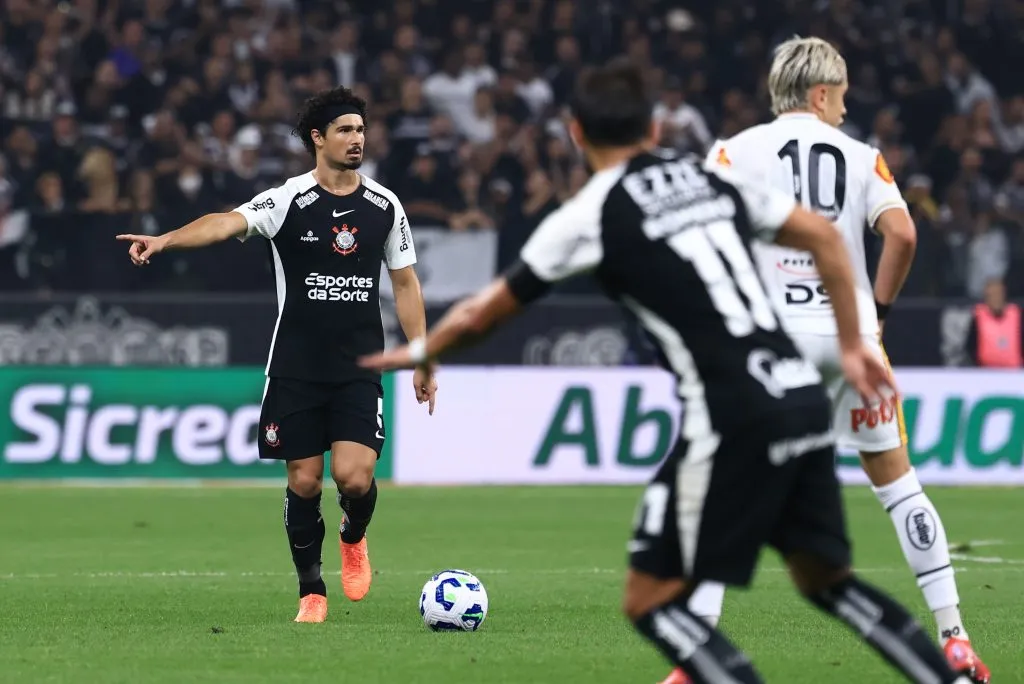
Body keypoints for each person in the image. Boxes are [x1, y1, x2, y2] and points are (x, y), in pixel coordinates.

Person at [360, 57, 975, 684]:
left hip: (731, 414)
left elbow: (485, 312)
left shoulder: (591, 212)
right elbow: (822, 237)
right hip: (797, 392)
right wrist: (854, 343)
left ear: (575, 133)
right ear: (654, 130)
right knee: (828, 582)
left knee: (648, 598)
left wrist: (422, 349)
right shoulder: (702, 177)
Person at [677, 36, 990, 684]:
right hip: (848, 339)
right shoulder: (860, 157)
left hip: (773, 345)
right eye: (842, 97)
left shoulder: (735, 151)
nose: (846, 110)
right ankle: (955, 641)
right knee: (899, 487)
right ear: (820, 94)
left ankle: (692, 664)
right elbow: (902, 231)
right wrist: (877, 311)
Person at [116, 86, 438, 624]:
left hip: (359, 366)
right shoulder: (288, 199)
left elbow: (405, 285)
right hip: (296, 367)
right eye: (345, 130)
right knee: (305, 481)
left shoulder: (385, 206)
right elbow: (224, 222)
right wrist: (167, 239)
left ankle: (353, 536)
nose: (357, 139)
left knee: (355, 478)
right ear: (318, 138)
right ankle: (311, 591)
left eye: (361, 130)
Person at [965, 278, 1022, 367]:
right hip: (986, 372)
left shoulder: (1016, 314)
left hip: (1015, 373)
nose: (996, 298)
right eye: (992, 295)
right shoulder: (978, 316)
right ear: (986, 298)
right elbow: (970, 346)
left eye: (998, 294)